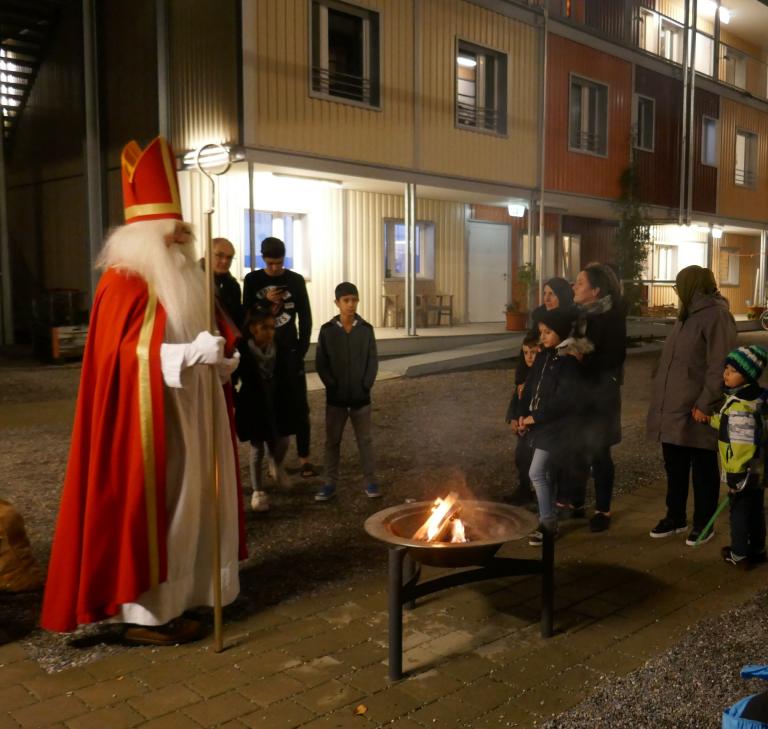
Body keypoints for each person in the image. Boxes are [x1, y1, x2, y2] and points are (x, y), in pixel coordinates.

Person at [40, 137, 244, 644]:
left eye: (183, 234)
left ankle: (190, 595)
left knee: (195, 510)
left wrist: (221, 362)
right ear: (147, 236)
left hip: (195, 419)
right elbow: (119, 358)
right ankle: (146, 615)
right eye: (172, 235)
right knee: (161, 515)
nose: (182, 242)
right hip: (151, 429)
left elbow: (210, 334)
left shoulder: (187, 279)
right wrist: (188, 355)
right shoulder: (123, 283)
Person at [647, 265, 737, 545]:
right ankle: (675, 516)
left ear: (691, 287)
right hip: (673, 405)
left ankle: (703, 522)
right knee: (674, 465)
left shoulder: (716, 316)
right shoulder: (686, 315)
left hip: (697, 407)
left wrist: (706, 403)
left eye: (679, 286)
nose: (677, 292)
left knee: (703, 468)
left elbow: (720, 364)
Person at [556, 263, 627, 532]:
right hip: (578, 394)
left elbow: (614, 359)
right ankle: (575, 503)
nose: (574, 286)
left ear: (595, 291)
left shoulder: (611, 318)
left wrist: (582, 358)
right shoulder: (580, 315)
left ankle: (602, 510)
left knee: (599, 452)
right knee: (575, 449)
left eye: (580, 283)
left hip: (600, 398)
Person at [243, 237, 315, 478]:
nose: (275, 268)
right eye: (270, 263)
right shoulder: (253, 280)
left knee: (300, 406)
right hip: (263, 353)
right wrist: (265, 301)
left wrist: (301, 349)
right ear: (263, 259)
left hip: (290, 351)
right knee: (267, 406)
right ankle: (270, 462)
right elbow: (246, 314)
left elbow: (306, 316)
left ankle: (304, 458)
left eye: (279, 263)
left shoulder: (295, 280)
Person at [517, 307, 584, 546]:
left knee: (536, 472)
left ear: (561, 332)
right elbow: (530, 387)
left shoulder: (568, 361)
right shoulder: (544, 356)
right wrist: (522, 415)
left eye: (547, 332)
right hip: (541, 425)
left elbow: (564, 401)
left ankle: (547, 524)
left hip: (556, 427)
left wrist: (535, 418)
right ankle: (547, 518)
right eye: (541, 332)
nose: (542, 336)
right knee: (544, 474)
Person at [315, 282, 379, 501]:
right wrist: (332, 385)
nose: (351, 304)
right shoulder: (327, 330)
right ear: (337, 303)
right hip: (336, 399)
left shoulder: (366, 330)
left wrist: (366, 385)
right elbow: (321, 362)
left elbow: (372, 360)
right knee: (332, 442)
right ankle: (329, 483)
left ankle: (371, 481)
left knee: (365, 441)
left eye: (354, 300)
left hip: (361, 398)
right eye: (346, 300)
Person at [233, 305, 297, 512]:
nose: (270, 332)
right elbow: (233, 378)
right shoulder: (243, 350)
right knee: (257, 446)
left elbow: (287, 374)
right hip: (254, 403)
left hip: (276, 402)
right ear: (253, 329)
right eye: (265, 328)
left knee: (283, 440)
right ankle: (258, 491)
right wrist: (236, 399)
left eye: (272, 327)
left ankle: (276, 465)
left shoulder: (279, 348)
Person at [710, 345, 768, 569]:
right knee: (756, 508)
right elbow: (730, 425)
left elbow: (741, 444)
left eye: (733, 370)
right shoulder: (753, 400)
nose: (726, 373)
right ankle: (758, 548)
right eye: (726, 368)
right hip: (758, 468)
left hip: (743, 472)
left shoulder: (741, 407)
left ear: (748, 376)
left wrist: (736, 476)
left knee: (739, 511)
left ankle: (739, 554)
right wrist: (712, 420)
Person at [505, 332, 541, 505]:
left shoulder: (543, 374)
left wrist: (528, 421)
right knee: (521, 456)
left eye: (533, 352)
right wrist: (513, 418)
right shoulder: (523, 373)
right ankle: (524, 489)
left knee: (539, 463)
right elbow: (516, 397)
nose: (529, 357)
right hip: (522, 422)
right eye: (526, 352)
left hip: (536, 423)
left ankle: (542, 496)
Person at [212, 237, 243, 329]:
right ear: (207, 254)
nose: (225, 261)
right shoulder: (194, 279)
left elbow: (236, 319)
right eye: (219, 255)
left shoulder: (233, 285)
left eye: (229, 257)